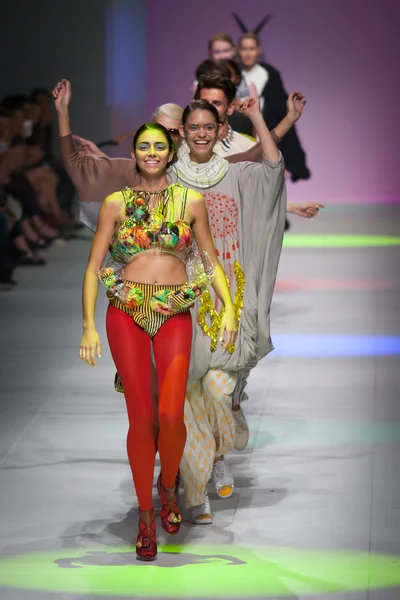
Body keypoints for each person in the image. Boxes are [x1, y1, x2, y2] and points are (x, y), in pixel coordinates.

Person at [53, 79, 238, 561]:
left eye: (159, 145)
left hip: (176, 309)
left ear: (170, 147)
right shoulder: (116, 203)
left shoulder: (189, 200)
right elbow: (93, 267)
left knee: (171, 413)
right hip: (127, 312)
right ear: (133, 154)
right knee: (141, 417)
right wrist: (88, 326)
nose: (152, 153)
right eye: (144, 147)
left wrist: (230, 305)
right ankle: (145, 515)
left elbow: (211, 259)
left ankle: (169, 486)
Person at [237, 32, 310, 183]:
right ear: (238, 51)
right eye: (244, 49)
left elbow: (278, 110)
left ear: (259, 50)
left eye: (252, 48)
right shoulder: (233, 74)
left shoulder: (269, 74)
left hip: (266, 133)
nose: (248, 53)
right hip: (239, 134)